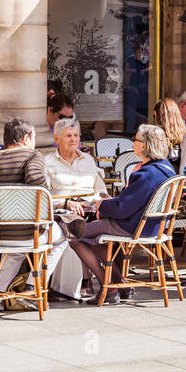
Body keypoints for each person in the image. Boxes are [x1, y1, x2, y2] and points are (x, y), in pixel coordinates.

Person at [69, 124, 176, 303]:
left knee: (75, 235)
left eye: (135, 139)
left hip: (133, 226)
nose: (133, 142)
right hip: (156, 227)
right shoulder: (166, 167)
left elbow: (122, 208)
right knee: (92, 237)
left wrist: (100, 205)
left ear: (145, 145)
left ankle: (108, 285)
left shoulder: (146, 173)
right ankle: (120, 283)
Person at [0, 118, 69, 312]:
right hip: (27, 232)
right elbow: (36, 182)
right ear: (27, 138)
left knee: (17, 249)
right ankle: (32, 284)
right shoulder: (31, 155)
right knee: (64, 236)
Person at [44, 116, 109, 300]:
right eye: (68, 136)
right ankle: (89, 281)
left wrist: (99, 203)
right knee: (76, 226)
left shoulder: (88, 159)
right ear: (56, 139)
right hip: (63, 212)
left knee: (109, 227)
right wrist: (66, 203)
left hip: (90, 209)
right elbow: (44, 195)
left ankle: (112, 280)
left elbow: (101, 190)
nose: (73, 139)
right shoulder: (47, 162)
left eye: (76, 135)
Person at [152, 98, 186, 171]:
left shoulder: (156, 136)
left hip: (162, 177)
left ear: (160, 116)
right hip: (179, 179)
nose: (155, 120)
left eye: (154, 116)